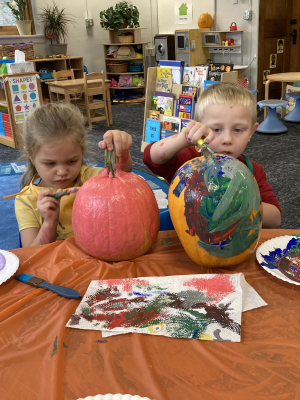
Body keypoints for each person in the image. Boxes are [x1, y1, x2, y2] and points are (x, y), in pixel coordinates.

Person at [143, 82, 281, 228]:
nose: (227, 139)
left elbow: (275, 219)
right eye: (216, 129)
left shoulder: (253, 171)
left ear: (251, 132)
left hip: (233, 247)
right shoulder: (189, 161)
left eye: (238, 130)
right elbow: (152, 158)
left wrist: (239, 202)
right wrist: (186, 137)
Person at [14, 102, 133, 247]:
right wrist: (49, 223)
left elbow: (122, 177)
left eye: (71, 161)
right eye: (50, 164)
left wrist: (121, 150)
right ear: (31, 156)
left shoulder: (90, 179)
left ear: (81, 152)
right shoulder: (26, 201)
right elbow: (31, 255)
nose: (62, 172)